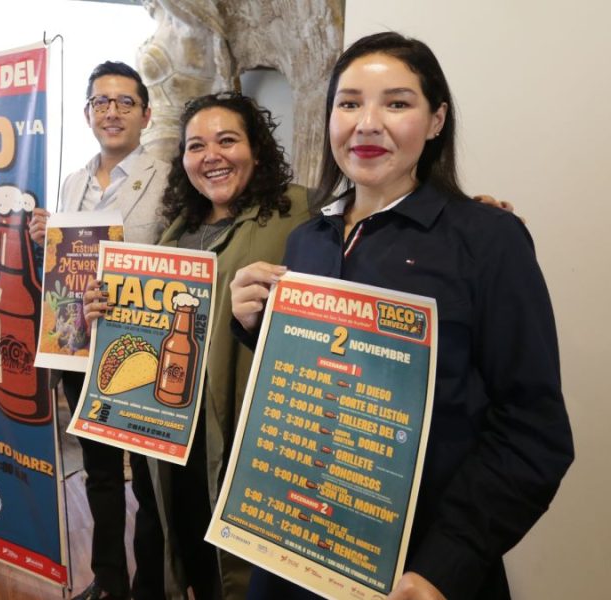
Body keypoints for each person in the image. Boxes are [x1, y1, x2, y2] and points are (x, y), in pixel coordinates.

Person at [229, 32, 574, 600]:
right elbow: (317, 377)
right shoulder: (306, 240)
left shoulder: (488, 241)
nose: (367, 123)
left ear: (436, 120)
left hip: (415, 570)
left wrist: (444, 565)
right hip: (294, 547)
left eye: (396, 102)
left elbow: (533, 432)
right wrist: (252, 324)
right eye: (348, 103)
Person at [83, 92, 312, 599]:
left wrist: (465, 211)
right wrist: (107, 306)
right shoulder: (178, 231)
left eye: (227, 140)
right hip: (176, 433)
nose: (211, 155)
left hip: (244, 430)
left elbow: (372, 218)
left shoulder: (301, 209)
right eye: (195, 146)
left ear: (257, 148)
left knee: (238, 571)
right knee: (185, 547)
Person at [29, 61, 168, 600]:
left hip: (140, 345)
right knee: (101, 473)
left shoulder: (167, 177)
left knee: (152, 482)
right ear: (88, 113)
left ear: (145, 114)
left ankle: (152, 586)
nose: (112, 111)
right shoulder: (72, 181)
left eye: (124, 102)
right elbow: (65, 264)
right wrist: (48, 234)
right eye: (101, 102)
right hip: (76, 345)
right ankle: (108, 580)